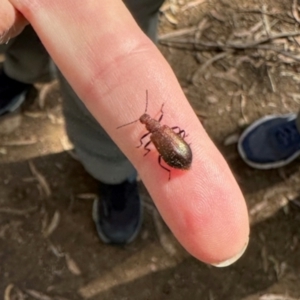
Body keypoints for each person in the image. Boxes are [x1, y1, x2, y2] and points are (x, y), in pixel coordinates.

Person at [1, 0, 249, 267]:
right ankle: (21, 71)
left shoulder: (154, 134)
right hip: (176, 148)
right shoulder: (159, 131)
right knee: (34, 30)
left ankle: (113, 175)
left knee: (103, 107)